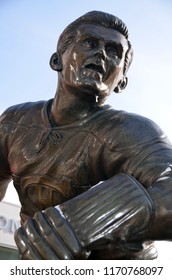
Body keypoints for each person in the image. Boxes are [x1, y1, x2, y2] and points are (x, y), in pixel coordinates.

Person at [1, 10, 172, 260]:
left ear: (122, 81)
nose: (101, 53)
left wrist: (84, 220)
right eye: (89, 43)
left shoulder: (133, 132)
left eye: (114, 51)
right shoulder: (14, 123)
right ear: (56, 60)